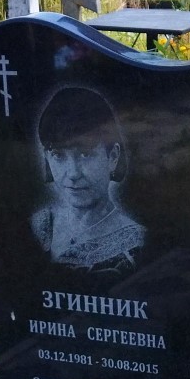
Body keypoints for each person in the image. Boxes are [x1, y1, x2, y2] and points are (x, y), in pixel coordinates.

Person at [32, 87, 145, 270]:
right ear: (47, 157)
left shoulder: (137, 245)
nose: (73, 173)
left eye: (85, 154)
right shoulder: (40, 226)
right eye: (58, 155)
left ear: (113, 157)